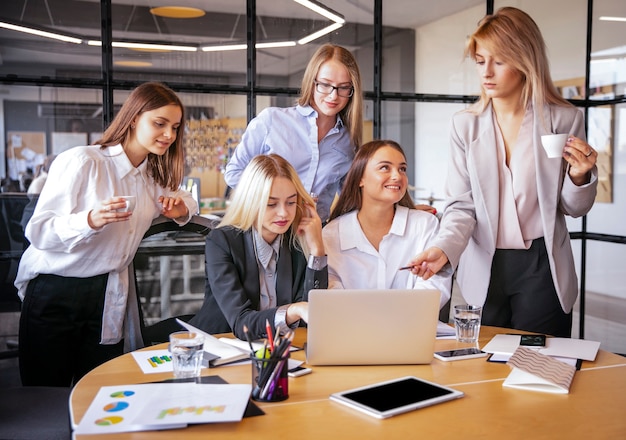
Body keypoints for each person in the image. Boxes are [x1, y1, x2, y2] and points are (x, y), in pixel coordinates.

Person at [407, 7, 598, 337]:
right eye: (481, 61)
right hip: (484, 262)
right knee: (483, 367)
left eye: (499, 60)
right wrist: (443, 248)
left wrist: (579, 177)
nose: (487, 72)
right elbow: (461, 207)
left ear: (525, 60)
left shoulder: (564, 119)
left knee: (540, 366)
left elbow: (573, 208)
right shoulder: (464, 126)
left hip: (543, 266)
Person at [15, 81, 198, 387]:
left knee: (102, 389)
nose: (169, 135)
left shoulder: (152, 177)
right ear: (134, 118)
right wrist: (89, 220)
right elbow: (39, 232)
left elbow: (188, 200)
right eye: (160, 123)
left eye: (175, 127)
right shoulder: (84, 161)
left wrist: (182, 208)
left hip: (109, 293)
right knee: (46, 396)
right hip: (56, 290)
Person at [185, 154, 327, 341]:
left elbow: (311, 316)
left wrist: (317, 249)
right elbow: (241, 322)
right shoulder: (221, 241)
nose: (284, 213)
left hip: (280, 350)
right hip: (221, 348)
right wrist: (294, 310)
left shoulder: (297, 241)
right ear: (250, 201)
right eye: (271, 204)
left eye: (291, 202)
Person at [224, 44, 363, 223]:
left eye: (343, 87)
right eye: (325, 85)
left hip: (315, 234)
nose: (333, 96)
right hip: (267, 230)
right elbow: (234, 173)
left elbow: (350, 198)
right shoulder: (272, 120)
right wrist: (283, 199)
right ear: (311, 82)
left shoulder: (347, 141)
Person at [323, 140, 451, 309]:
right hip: (353, 331)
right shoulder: (332, 234)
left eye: (402, 169)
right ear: (360, 178)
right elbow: (332, 295)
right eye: (385, 167)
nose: (397, 176)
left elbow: (434, 287)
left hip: (411, 330)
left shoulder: (425, 224)